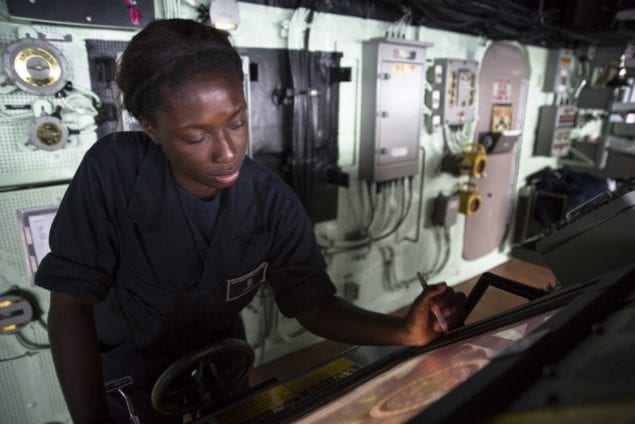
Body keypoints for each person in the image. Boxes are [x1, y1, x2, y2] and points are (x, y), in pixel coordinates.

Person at [35, 18, 466, 424]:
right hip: (127, 371)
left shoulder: (268, 200)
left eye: (237, 123)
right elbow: (71, 307)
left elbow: (313, 306)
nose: (227, 151)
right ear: (151, 128)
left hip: (220, 364)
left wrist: (403, 332)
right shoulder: (114, 172)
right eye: (196, 136)